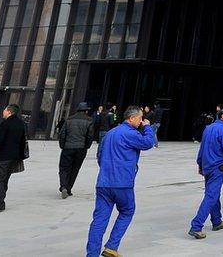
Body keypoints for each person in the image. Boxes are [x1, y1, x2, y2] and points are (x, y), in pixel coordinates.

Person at [86, 105, 156, 257]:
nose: (141, 121)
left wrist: (107, 170)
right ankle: (112, 246)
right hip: (122, 183)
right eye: (140, 118)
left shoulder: (110, 133)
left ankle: (91, 254)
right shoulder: (129, 133)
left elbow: (100, 156)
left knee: (99, 219)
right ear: (131, 118)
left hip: (104, 182)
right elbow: (148, 143)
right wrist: (148, 128)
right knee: (127, 210)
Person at [188, 107, 223, 240]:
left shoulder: (208, 128)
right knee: (211, 195)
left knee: (214, 193)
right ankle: (196, 226)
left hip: (207, 166)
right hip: (218, 167)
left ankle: (217, 221)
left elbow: (202, 147)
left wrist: (200, 164)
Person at [0, 104, 27, 213]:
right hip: (14, 157)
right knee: (4, 180)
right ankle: (0, 201)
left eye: (4, 110)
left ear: (9, 112)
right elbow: (23, 141)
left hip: (3, 156)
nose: (3, 111)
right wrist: (20, 156)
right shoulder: (20, 123)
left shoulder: (5, 123)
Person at [58, 102, 95, 199]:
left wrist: (62, 145)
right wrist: (86, 146)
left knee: (64, 168)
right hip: (81, 148)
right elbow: (90, 136)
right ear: (86, 110)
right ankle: (68, 188)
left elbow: (62, 134)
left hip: (68, 147)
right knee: (75, 169)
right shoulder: (89, 120)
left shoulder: (69, 119)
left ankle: (63, 186)